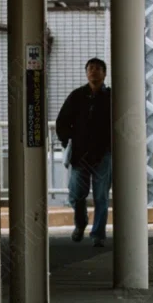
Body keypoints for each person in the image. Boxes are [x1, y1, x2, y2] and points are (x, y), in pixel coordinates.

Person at [55, 57, 113, 249]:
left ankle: (98, 234)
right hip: (80, 155)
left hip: (103, 154)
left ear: (104, 73)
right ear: (86, 72)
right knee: (76, 194)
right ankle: (80, 223)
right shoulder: (77, 96)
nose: (93, 72)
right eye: (90, 68)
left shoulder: (112, 96)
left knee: (101, 196)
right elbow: (62, 121)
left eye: (97, 69)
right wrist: (67, 140)